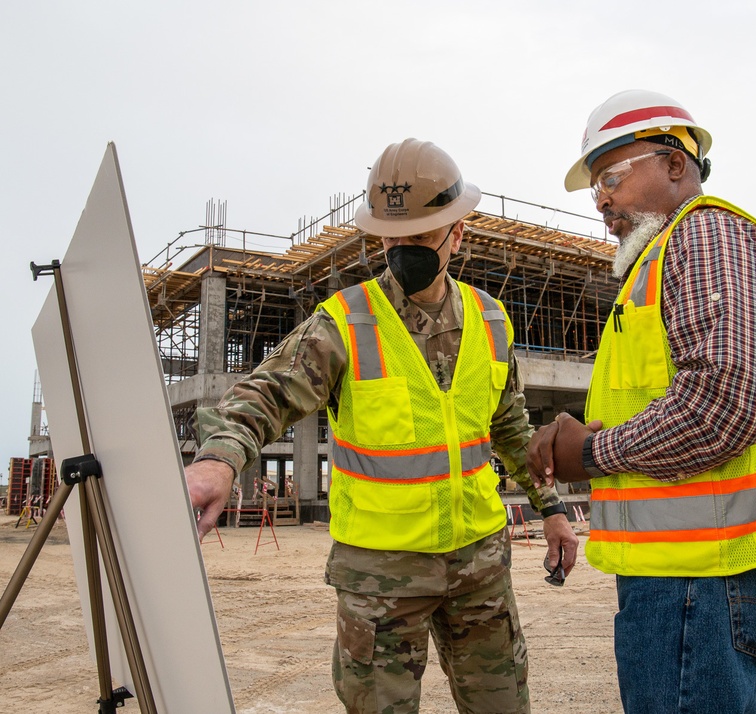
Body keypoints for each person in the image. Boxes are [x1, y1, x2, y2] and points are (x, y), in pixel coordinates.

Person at [185, 138, 578, 714]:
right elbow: (267, 392)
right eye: (392, 240)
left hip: (479, 568)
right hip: (379, 579)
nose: (402, 251)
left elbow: (512, 429)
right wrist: (221, 456)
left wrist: (552, 512)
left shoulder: (492, 319)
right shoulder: (342, 322)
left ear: (457, 233)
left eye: (419, 238)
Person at [527, 89, 756, 714]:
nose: (603, 201)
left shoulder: (703, 237)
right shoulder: (661, 259)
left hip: (707, 574)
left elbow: (724, 404)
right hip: (697, 569)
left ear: (677, 165)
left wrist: (591, 451)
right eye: (596, 188)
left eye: (612, 177)